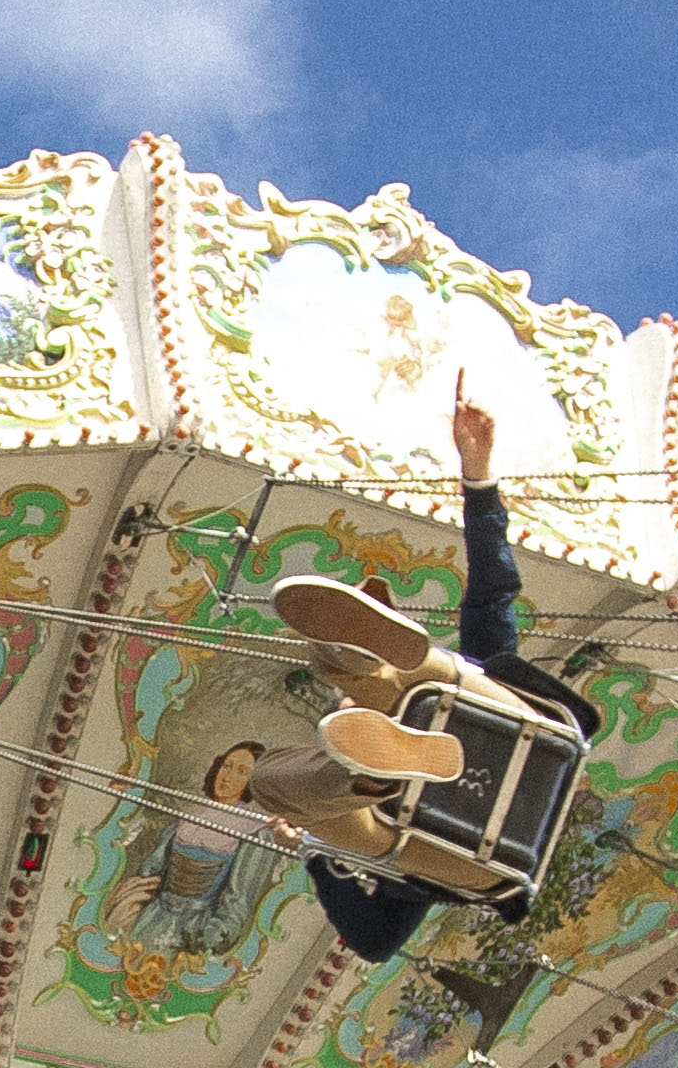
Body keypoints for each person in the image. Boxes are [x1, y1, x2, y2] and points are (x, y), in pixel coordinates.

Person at [254, 386, 594, 965]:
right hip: (490, 856)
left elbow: (494, 591)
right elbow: (376, 943)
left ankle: (367, 756)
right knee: (270, 785)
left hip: (492, 797)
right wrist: (312, 853)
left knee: (373, 773)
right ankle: (367, 711)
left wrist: (480, 478)